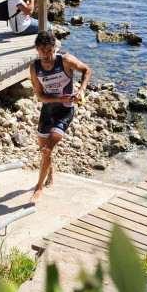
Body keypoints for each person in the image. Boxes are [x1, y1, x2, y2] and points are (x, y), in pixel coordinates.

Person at [29, 30, 91, 204]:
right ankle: (50, 171)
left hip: (65, 110)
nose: (47, 55)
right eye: (43, 51)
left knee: (47, 149)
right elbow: (40, 96)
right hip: (47, 111)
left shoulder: (65, 60)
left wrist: (81, 90)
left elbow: (87, 70)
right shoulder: (35, 68)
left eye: (50, 50)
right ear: (37, 49)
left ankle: (38, 188)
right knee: (44, 150)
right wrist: (59, 98)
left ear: (55, 48)